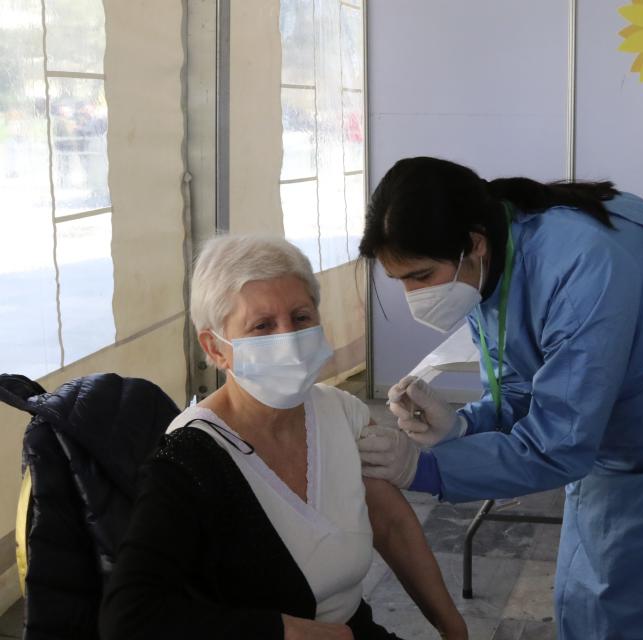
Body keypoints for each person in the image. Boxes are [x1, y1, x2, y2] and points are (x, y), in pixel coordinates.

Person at [356, 157, 643, 639]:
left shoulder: (580, 262)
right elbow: (530, 380)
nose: (413, 295)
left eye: (420, 276)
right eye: (400, 280)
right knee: (597, 591)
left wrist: (424, 469)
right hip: (626, 427)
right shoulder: (491, 261)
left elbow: (557, 445)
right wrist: (469, 424)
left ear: (473, 244)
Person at [99, 236, 467, 640]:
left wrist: (453, 628)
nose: (288, 337)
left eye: (300, 316)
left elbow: (392, 524)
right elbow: (129, 618)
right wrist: (280, 631)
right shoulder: (190, 457)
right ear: (216, 348)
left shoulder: (341, 412)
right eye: (262, 326)